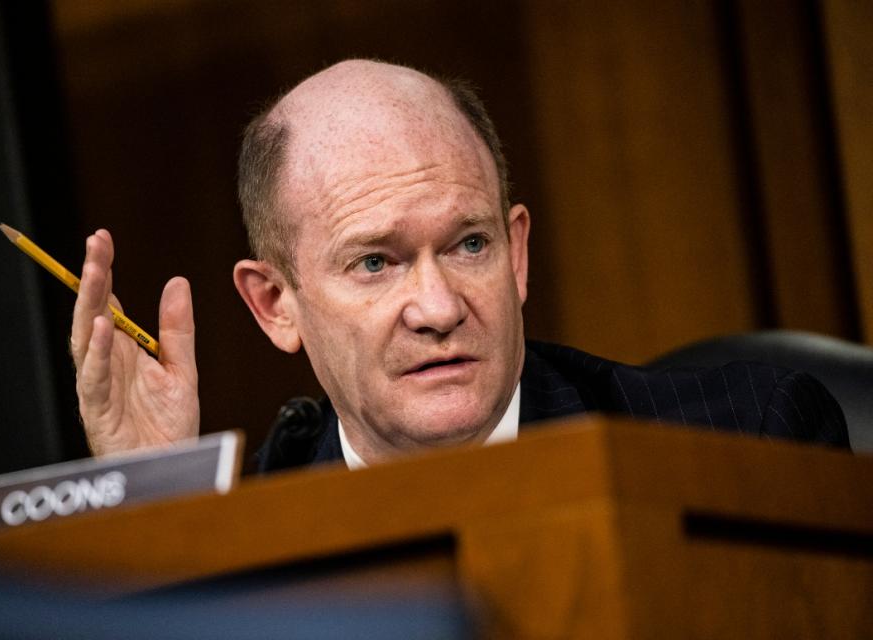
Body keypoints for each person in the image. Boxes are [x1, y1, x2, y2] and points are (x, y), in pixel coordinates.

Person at [69, 59, 849, 472]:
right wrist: (154, 500)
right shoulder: (249, 519)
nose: (438, 308)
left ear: (518, 255)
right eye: (376, 262)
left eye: (469, 245)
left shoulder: (745, 440)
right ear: (276, 304)